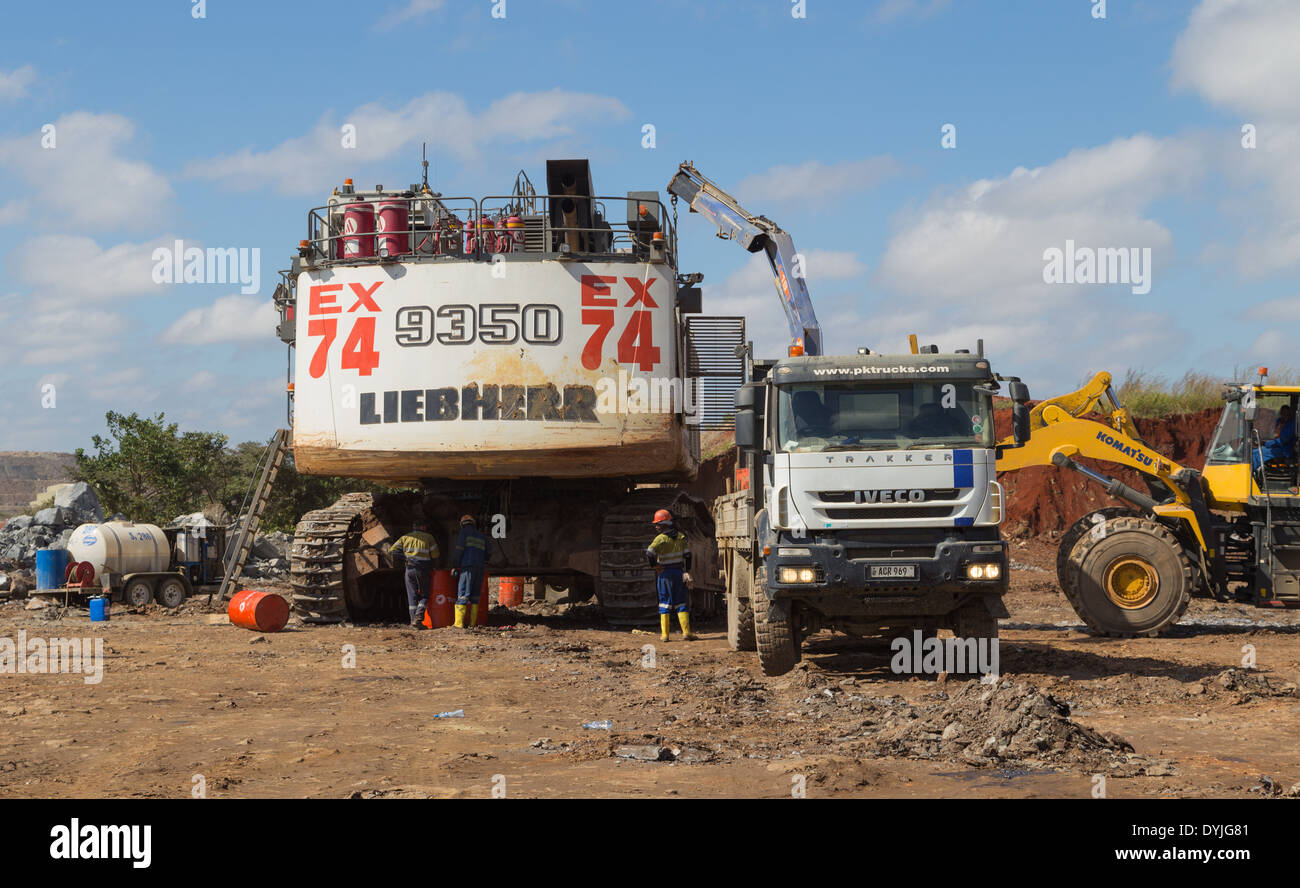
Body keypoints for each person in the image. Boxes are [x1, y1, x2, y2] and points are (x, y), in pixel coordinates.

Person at [645, 509, 695, 641]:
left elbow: (649, 553)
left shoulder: (660, 539)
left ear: (665, 524)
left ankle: (665, 635)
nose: (656, 526)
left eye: (658, 524)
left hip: (664, 574)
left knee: (664, 603)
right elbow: (688, 556)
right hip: (678, 572)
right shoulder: (681, 537)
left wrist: (654, 566)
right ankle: (686, 633)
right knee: (681, 602)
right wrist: (687, 571)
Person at [391, 520, 438, 628]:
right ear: (422, 526)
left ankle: (413, 622)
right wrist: (434, 566)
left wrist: (406, 558)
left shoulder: (405, 537)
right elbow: (435, 555)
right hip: (423, 569)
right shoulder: (428, 537)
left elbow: (393, 550)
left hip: (409, 570)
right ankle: (418, 617)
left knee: (412, 596)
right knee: (425, 595)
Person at [452, 515, 489, 629]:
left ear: (462, 524)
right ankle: (473, 624)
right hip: (480, 568)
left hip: (467, 567)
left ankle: (458, 624)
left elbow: (459, 550)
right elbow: (489, 552)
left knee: (463, 594)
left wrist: (455, 565)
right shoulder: (482, 536)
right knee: (475, 596)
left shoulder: (464, 533)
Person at [1254, 404, 1296, 469]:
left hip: (1285, 450)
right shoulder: (1279, 421)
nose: (1284, 415)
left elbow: (1283, 440)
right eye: (1283, 413)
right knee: (1254, 451)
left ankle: (1250, 473)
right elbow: (1275, 435)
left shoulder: (1292, 424)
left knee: (1258, 454)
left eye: (1286, 413)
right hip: (1276, 447)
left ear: (1289, 414)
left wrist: (1266, 443)